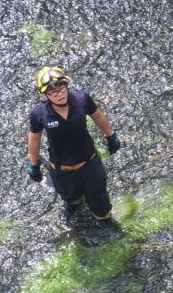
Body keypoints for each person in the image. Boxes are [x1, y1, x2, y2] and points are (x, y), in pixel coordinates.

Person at [26, 66, 121, 228]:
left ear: (67, 85)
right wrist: (33, 164)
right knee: (69, 198)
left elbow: (97, 115)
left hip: (90, 165)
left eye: (62, 89)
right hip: (62, 171)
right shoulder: (39, 114)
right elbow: (34, 138)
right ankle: (74, 203)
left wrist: (110, 135)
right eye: (53, 92)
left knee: (101, 205)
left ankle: (105, 222)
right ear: (44, 95)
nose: (60, 94)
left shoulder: (82, 100)